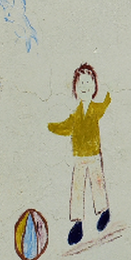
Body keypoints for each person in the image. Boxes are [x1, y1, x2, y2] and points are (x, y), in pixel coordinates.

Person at [48, 62, 112, 245]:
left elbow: (107, 102)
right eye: (81, 83)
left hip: (93, 155)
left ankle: (103, 211)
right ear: (75, 89)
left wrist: (111, 89)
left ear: (94, 87)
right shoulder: (75, 115)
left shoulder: (95, 109)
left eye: (88, 82)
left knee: (97, 184)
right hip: (79, 157)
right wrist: (50, 126)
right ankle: (78, 223)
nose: (85, 87)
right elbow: (65, 127)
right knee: (77, 189)